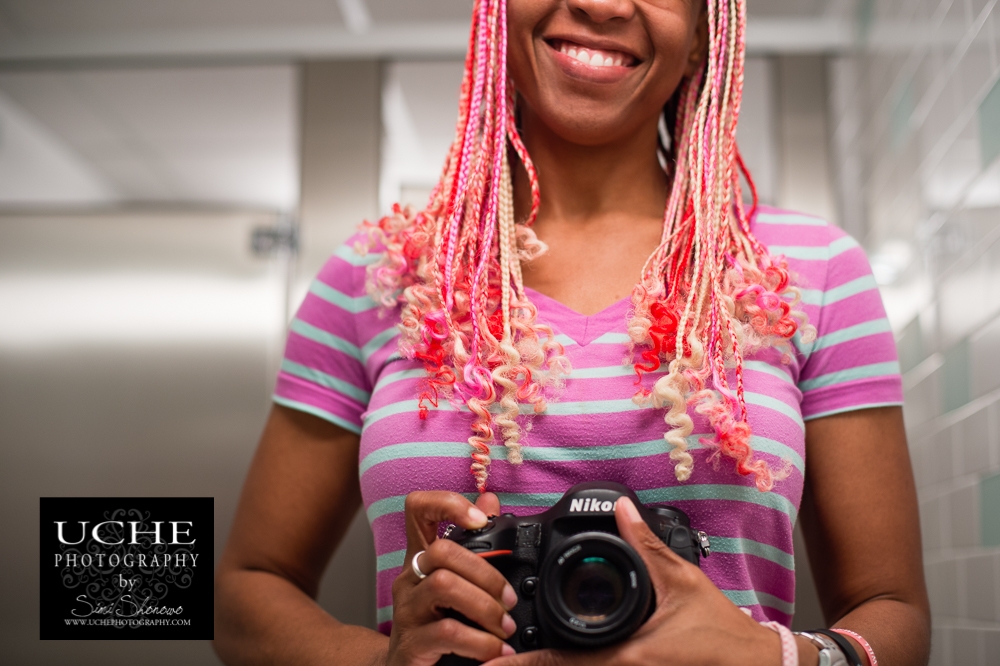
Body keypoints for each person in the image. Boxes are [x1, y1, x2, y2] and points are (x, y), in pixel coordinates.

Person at [214, 1, 930, 665]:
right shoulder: (377, 277)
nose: (603, 4)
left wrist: (776, 657)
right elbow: (242, 593)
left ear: (703, 37)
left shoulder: (815, 272)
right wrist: (385, 660)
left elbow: (894, 611)